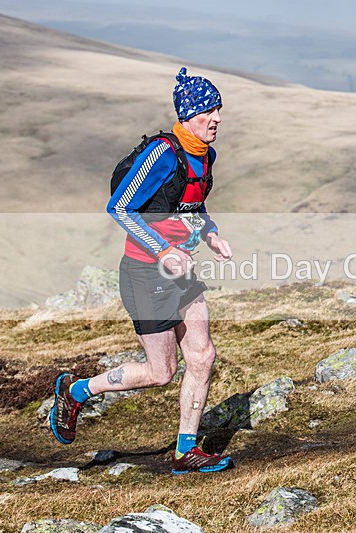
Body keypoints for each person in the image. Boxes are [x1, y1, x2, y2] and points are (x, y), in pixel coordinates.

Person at [49, 67, 234, 474]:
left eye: (219, 110)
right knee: (161, 371)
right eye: (208, 111)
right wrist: (164, 249)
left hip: (181, 272)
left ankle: (186, 450)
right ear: (187, 115)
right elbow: (120, 207)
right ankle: (78, 390)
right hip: (144, 273)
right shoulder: (162, 154)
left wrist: (212, 235)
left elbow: (192, 207)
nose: (217, 118)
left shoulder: (206, 156)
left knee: (202, 356)